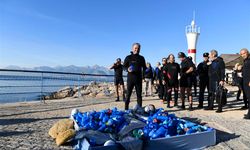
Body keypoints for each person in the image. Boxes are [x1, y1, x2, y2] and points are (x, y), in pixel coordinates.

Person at [123, 43, 146, 110]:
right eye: (135, 48)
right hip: (130, 79)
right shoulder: (128, 57)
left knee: (139, 95)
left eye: (138, 48)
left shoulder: (141, 58)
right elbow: (123, 67)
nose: (137, 49)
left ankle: (139, 109)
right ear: (132, 48)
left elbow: (144, 68)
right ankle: (126, 109)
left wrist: (144, 77)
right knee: (128, 95)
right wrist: (127, 69)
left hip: (138, 79)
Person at [240, 48, 250, 119]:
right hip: (245, 81)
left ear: (247, 53)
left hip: (249, 82)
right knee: (248, 98)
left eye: (244, 53)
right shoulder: (245, 61)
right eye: (241, 54)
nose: (242, 55)